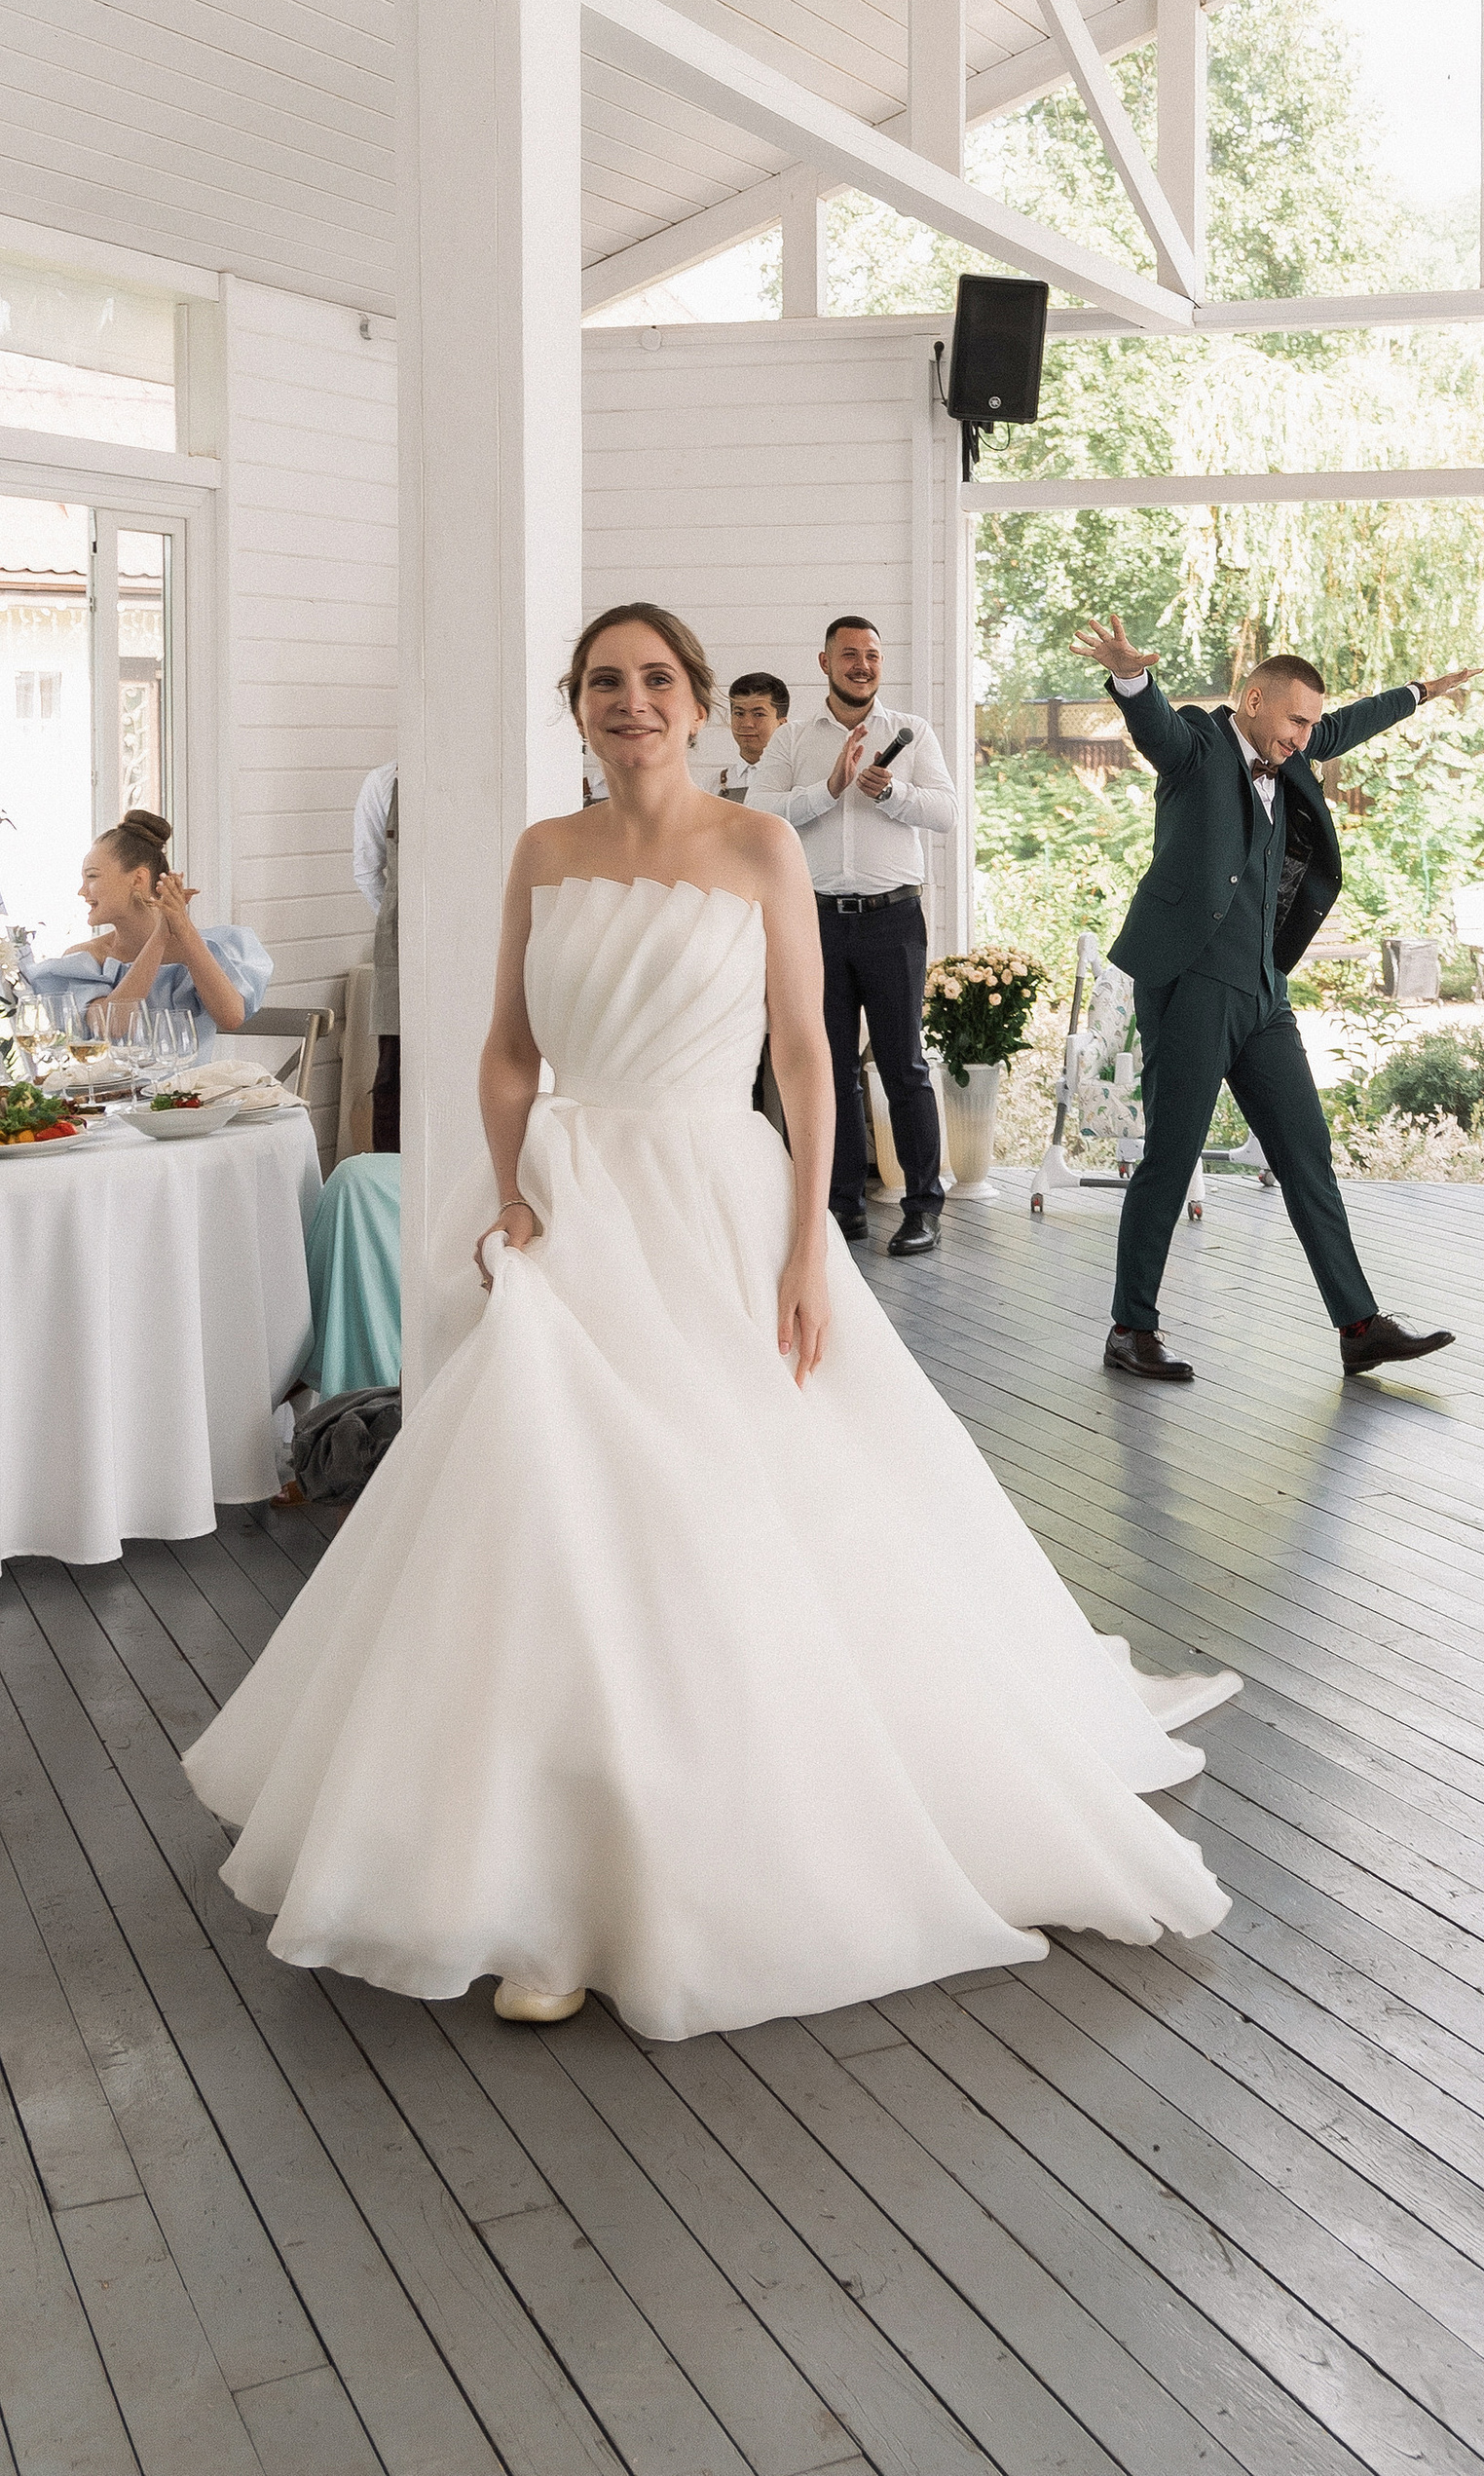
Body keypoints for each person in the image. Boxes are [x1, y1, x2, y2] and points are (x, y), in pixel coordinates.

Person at [180, 600, 1235, 2044]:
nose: (632, 702)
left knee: (720, 1509)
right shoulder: (543, 852)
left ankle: (667, 1854)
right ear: (579, 706)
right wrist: (512, 1190)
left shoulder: (759, 848)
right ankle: (537, 1879)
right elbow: (508, 1052)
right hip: (570, 1205)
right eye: (605, 683)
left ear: (692, 703)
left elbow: (804, 1058)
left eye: (655, 680)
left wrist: (807, 1245)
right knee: (547, 1508)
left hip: (714, 1208)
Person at [1072, 615, 1478, 1383]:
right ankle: (1131, 1328)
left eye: (1310, 725)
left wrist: (1420, 692)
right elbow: (1154, 726)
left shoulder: (1293, 750)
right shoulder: (1197, 746)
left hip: (1264, 993)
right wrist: (1130, 676)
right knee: (1171, 1158)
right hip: (1192, 984)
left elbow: (1347, 725)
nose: (1305, 737)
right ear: (1254, 701)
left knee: (1305, 1152)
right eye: (1296, 721)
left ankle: (1358, 1326)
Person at [747, 616, 954, 1258]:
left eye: (872, 655)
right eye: (849, 655)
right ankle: (841, 1207)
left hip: (894, 920)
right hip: (814, 923)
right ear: (825, 662)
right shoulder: (792, 739)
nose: (862, 665)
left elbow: (946, 812)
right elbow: (759, 813)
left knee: (904, 1067)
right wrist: (828, 790)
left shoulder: (912, 732)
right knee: (827, 1069)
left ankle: (923, 1207)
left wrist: (892, 793)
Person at [30, 809, 272, 1056]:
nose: (82, 891)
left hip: (192, 1082)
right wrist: (160, 936)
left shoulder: (211, 948)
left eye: (92, 876)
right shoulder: (85, 959)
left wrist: (183, 928)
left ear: (138, 879)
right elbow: (111, 1027)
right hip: (115, 1083)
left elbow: (231, 1017)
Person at [352, 759, 399, 1149]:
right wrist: (400, 925)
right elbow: (368, 872)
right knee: (393, 1077)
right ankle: (390, 1179)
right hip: (400, 951)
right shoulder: (384, 782)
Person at [715, 673, 790, 802]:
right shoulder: (712, 785)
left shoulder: (796, 782)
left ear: (782, 724)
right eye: (739, 713)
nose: (747, 724)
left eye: (758, 714)